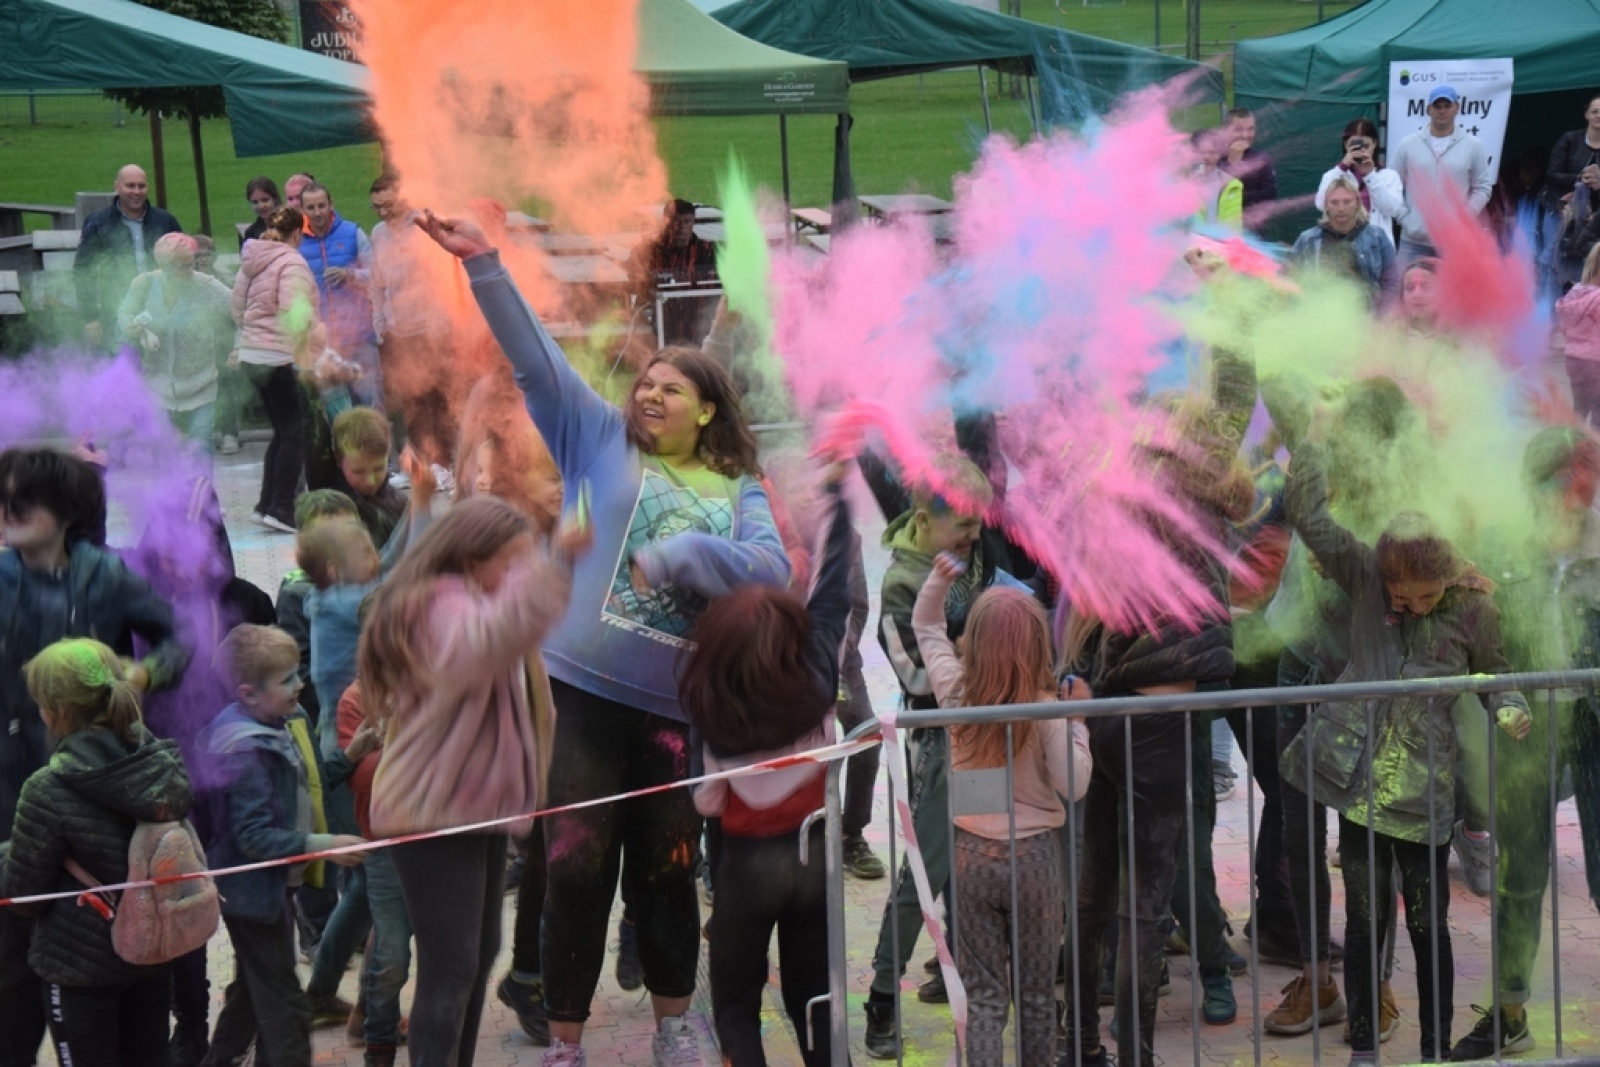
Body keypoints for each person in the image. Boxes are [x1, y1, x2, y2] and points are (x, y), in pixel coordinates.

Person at [418, 211, 791, 1067]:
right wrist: (485, 264)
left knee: (665, 867)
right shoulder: (595, 437)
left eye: (670, 388)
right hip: (578, 693)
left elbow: (774, 573)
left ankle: (675, 1027)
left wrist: (694, 552)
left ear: (706, 411)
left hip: (669, 711)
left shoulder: (737, 487)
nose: (649, 394)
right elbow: (536, 361)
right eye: (646, 382)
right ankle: (565, 1041)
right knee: (576, 869)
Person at [1278, 436, 1531, 1065]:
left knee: (1426, 927)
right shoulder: (1365, 573)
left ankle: (1433, 1052)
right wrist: (1313, 441)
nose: (1413, 604)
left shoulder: (1475, 608)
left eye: (1426, 595)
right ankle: (1364, 1047)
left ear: (1447, 574)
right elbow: (1309, 519)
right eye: (1403, 594)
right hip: (1356, 788)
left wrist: (1511, 706)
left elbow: (1497, 674)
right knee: (1363, 922)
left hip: (1425, 797)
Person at [1065, 342, 1257, 1067]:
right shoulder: (1186, 490)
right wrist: (1230, 303)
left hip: (1113, 713)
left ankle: (1086, 1043)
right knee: (1143, 905)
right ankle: (1135, 1054)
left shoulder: (1119, 490)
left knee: (1095, 893)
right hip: (1156, 725)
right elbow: (1236, 394)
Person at [359, 496, 581, 1067]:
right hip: (432, 812)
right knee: (451, 967)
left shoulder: (471, 600)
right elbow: (480, 646)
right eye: (515, 561)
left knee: (478, 956)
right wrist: (555, 569)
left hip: (471, 807)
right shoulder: (439, 604)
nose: (522, 573)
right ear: (470, 558)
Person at [0, 447, 187, 1067]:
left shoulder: (106, 575)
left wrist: (144, 674)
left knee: (106, 962)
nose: (8, 510)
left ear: (63, 508)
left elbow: (177, 638)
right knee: (10, 982)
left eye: (22, 498)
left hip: (88, 797)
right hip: (10, 802)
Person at [679, 460, 853, 1067]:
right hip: (814, 862)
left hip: (746, 869)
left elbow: (704, 800)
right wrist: (837, 496)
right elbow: (832, 594)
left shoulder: (712, 706)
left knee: (734, 1003)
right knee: (815, 996)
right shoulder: (817, 676)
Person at [862, 454, 1027, 1058]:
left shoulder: (975, 553)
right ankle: (882, 996)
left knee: (977, 861)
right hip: (937, 746)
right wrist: (977, 653)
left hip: (982, 738)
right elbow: (915, 676)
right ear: (927, 519)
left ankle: (974, 990)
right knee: (925, 875)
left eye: (980, 526)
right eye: (965, 526)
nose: (977, 537)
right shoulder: (901, 581)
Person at [1446, 428, 1600, 1060]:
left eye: (1576, 494)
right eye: (1553, 493)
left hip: (1593, 724)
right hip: (1524, 726)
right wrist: (1499, 696)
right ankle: (1510, 1013)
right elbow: (1483, 638)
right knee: (1521, 875)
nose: (1566, 507)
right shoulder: (1501, 545)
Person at [915, 552, 1092, 1067]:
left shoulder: (956, 694)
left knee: (985, 998)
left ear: (972, 640)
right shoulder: (1046, 711)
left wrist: (937, 580)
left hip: (970, 856)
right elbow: (1075, 784)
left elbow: (926, 627)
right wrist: (1078, 722)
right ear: (1041, 645)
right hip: (1035, 861)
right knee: (1036, 1000)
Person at [1, 639, 195, 1067]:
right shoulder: (159, 766)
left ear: (56, 712)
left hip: (79, 971)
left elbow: (27, 896)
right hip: (149, 956)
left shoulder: (45, 790)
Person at [198, 624, 370, 1067]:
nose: (301, 684)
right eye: (288, 679)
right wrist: (324, 845)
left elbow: (307, 788)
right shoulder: (244, 750)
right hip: (252, 895)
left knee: (254, 992)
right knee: (285, 1005)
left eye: (298, 673)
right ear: (248, 694)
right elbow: (253, 836)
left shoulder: (285, 721)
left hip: (275, 888)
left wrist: (349, 758)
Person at [295, 517, 383, 1027]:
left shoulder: (338, 595)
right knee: (371, 888)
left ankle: (322, 992)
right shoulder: (342, 604)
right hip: (350, 756)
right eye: (365, 553)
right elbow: (400, 582)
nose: (375, 561)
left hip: (345, 750)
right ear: (335, 569)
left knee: (366, 890)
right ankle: (335, 996)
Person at [231, 206, 323, 533]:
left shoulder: (253, 259)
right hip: (279, 357)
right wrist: (316, 339)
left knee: (281, 431)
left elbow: (236, 307)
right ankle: (282, 508)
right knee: (294, 433)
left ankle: (266, 504)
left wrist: (253, 335)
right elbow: (293, 310)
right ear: (298, 232)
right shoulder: (292, 262)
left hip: (252, 355)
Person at [116, 233, 235, 451]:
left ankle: (203, 485)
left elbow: (239, 309)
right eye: (182, 267)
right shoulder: (143, 284)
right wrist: (132, 326)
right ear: (164, 265)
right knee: (163, 445)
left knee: (201, 442)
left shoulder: (206, 285)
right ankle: (170, 485)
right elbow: (124, 313)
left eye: (192, 264)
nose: (190, 271)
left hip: (202, 381)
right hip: (157, 382)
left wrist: (239, 345)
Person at [370, 174, 458, 465]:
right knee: (410, 401)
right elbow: (377, 284)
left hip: (430, 327)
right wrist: (381, 325)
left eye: (388, 205)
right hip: (399, 330)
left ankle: (444, 462)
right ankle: (417, 461)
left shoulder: (423, 226)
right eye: (376, 207)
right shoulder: (378, 233)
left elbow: (442, 275)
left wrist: (441, 322)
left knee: (438, 398)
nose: (383, 213)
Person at [75, 164, 184, 349]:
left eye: (141, 186)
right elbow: (83, 270)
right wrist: (90, 317)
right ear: (116, 187)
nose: (136, 191)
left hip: (161, 308)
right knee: (121, 364)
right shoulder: (98, 223)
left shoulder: (166, 221)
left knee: (160, 365)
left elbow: (183, 263)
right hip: (115, 309)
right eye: (130, 186)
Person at [298, 182, 381, 408]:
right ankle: (341, 445)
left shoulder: (353, 233)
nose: (317, 213)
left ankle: (377, 444)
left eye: (322, 206)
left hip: (360, 335)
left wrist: (350, 275)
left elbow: (376, 274)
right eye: (311, 207)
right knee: (336, 410)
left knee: (370, 402)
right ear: (302, 210)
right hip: (323, 342)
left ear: (331, 204)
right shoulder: (296, 243)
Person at [1391, 86, 1495, 265]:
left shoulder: (1473, 145)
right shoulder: (1407, 144)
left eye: (1447, 105)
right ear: (1428, 109)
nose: (1442, 110)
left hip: (1453, 242)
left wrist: (1464, 218)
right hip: (1413, 240)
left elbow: (1483, 187)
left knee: (1452, 293)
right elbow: (1391, 186)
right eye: (1437, 106)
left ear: (1457, 108)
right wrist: (1404, 219)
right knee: (1406, 290)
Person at [306, 406, 410, 554]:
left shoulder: (401, 504)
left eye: (379, 468)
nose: (370, 480)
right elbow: (311, 422)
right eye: (359, 472)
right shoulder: (331, 498)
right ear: (338, 459)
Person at [1290, 175, 1398, 306]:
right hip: (1319, 316)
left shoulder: (1377, 237)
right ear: (1326, 206)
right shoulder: (1307, 240)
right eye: (1334, 202)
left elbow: (1392, 283)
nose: (1341, 208)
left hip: (1366, 317)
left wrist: (1383, 319)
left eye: (1347, 202)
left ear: (1357, 203)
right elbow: (1291, 280)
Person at [627, 199, 719, 345]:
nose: (681, 228)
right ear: (666, 222)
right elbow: (635, 280)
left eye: (687, 222)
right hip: (660, 315)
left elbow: (717, 284)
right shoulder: (648, 250)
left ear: (693, 222)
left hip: (698, 315)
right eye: (676, 222)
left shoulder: (706, 250)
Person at [1316, 118, 1405, 247]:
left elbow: (1392, 210)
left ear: (1375, 144)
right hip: (1343, 246)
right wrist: (1342, 167)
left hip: (1377, 246)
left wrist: (1371, 176)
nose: (1361, 152)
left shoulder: (1388, 176)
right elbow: (1320, 204)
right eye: (1354, 146)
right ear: (1346, 145)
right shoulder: (1334, 175)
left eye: (1365, 146)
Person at [1556, 243, 1600, 424]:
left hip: (1574, 360)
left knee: (1580, 411)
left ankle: (1572, 446)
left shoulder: (1575, 292)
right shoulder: (1598, 299)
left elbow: (1566, 328)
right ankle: (1594, 450)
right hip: (1596, 363)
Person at [1218, 106, 1278, 229]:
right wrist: (1233, 164)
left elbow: (1269, 195)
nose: (1245, 135)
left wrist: (1239, 196)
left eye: (1250, 129)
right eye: (1238, 130)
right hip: (1215, 230)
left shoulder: (1262, 159)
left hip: (1251, 231)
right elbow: (1208, 195)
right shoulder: (1211, 155)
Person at [1190, 128, 1244, 231]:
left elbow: (1234, 226)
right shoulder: (1181, 185)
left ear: (1219, 154)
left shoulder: (1232, 185)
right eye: (1201, 152)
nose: (1206, 157)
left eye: (1212, 153)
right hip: (1190, 245)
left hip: (1221, 244)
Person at [242, 176, 283, 248]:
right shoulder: (251, 233)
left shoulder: (289, 226)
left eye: (265, 200)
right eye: (255, 202)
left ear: (275, 199)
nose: (261, 206)